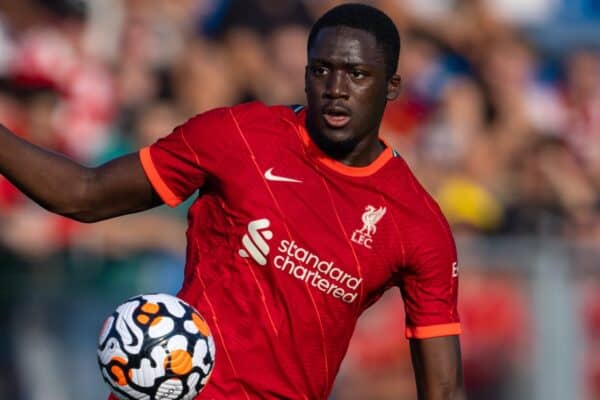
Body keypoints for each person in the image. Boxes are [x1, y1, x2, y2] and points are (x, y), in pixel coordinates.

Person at [0, 3, 465, 399]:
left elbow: (442, 389)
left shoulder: (417, 224)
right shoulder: (237, 135)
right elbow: (84, 194)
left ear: (391, 87)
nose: (336, 89)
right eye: (322, 70)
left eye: (358, 74)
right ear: (305, 75)